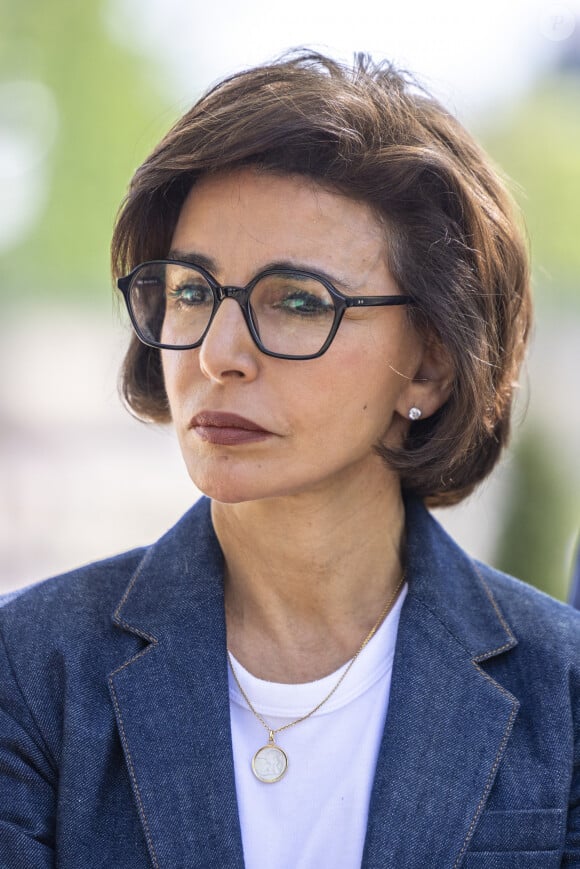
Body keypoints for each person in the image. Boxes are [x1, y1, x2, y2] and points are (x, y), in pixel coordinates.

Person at [1, 50, 579, 869]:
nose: (218, 355)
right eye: (194, 290)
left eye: (299, 301)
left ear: (430, 364)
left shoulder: (562, 690)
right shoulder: (28, 672)